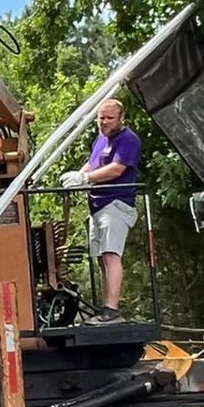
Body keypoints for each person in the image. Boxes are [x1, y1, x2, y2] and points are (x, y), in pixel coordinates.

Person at [60, 99, 140, 322]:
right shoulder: (100, 139)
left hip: (116, 203)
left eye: (109, 118)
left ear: (121, 118)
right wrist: (76, 176)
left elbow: (116, 169)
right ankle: (105, 308)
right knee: (101, 258)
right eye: (100, 117)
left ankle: (112, 310)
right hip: (98, 205)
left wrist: (85, 178)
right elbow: (93, 164)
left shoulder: (128, 139)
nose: (103, 122)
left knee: (111, 254)